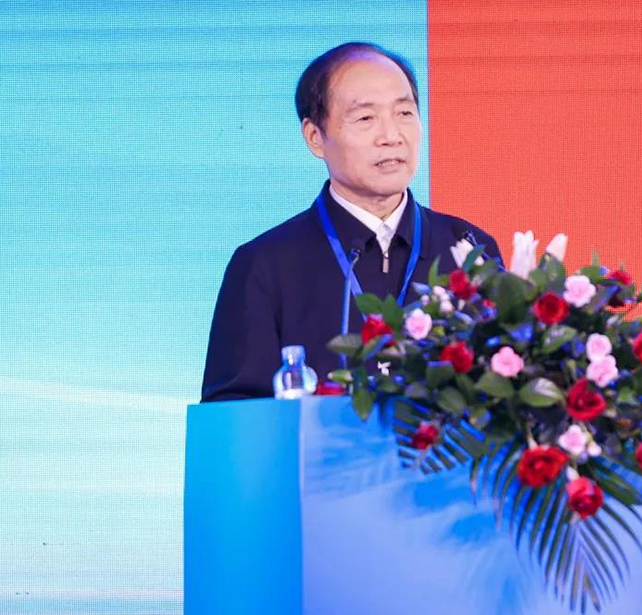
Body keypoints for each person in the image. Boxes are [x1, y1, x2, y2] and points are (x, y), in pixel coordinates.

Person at [201, 42, 501, 402]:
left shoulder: (467, 248)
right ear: (315, 138)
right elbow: (233, 413)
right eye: (365, 119)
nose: (391, 136)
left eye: (405, 113)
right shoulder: (265, 265)